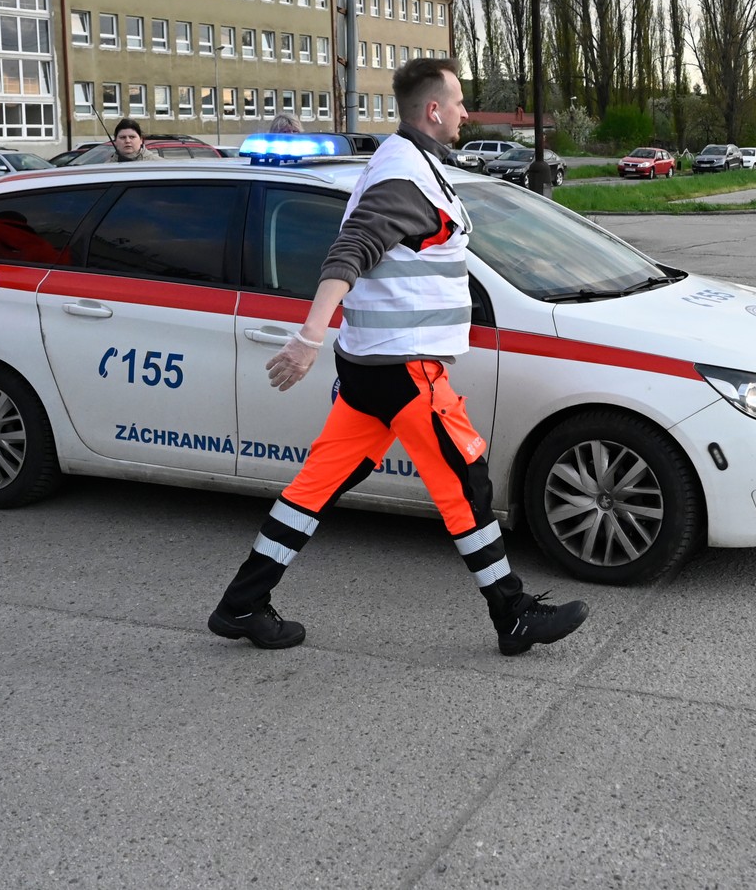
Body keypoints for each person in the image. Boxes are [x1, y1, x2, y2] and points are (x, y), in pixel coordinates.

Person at [208, 57, 588, 656]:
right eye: (459, 102)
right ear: (433, 111)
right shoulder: (402, 179)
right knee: (466, 481)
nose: (466, 112)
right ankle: (512, 613)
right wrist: (309, 338)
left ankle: (241, 603)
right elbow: (350, 251)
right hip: (405, 368)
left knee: (315, 486)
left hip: (371, 368)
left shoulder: (409, 166)